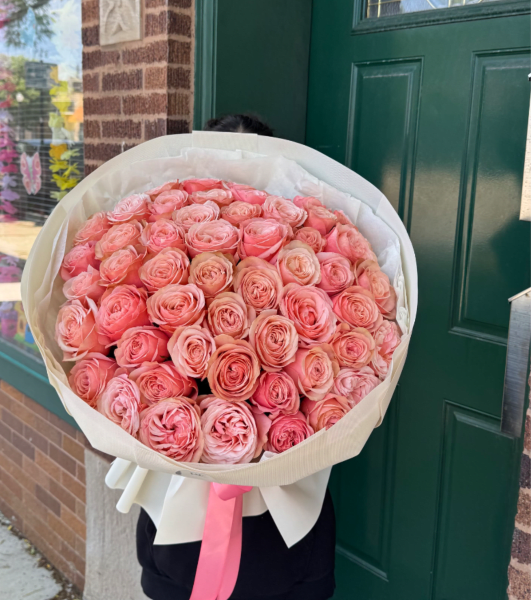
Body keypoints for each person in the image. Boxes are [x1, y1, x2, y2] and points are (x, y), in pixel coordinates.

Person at [135, 114, 337, 600]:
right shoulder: (162, 251)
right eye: (224, 167)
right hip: (181, 517)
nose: (236, 186)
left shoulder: (305, 261)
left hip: (284, 520)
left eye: (252, 168)